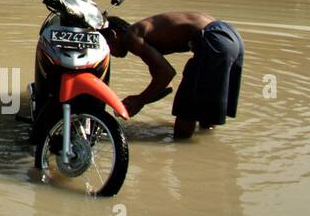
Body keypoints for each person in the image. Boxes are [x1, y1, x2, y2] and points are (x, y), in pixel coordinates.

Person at [103, 12, 244, 139]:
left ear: (114, 35)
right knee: (205, 109)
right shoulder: (144, 33)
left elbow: (166, 74)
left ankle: (182, 150)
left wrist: (139, 100)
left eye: (106, 46)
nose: (109, 54)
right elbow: (166, 86)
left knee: (186, 108)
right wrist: (140, 100)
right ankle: (205, 148)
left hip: (214, 40)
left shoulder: (131, 37)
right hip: (231, 36)